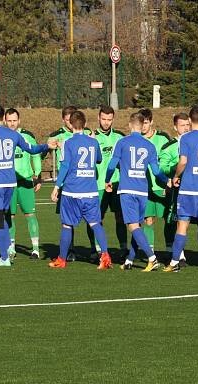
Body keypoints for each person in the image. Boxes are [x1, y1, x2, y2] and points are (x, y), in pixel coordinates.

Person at [0, 105, 54, 267]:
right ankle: (8, 250)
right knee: (5, 217)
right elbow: (31, 149)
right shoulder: (13, 134)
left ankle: (4, 257)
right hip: (10, 183)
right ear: (3, 118)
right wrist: (47, 146)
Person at [105, 112, 171, 272]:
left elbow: (112, 165)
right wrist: (167, 180)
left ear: (129, 125)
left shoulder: (122, 142)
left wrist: (107, 179)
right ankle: (130, 260)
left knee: (133, 225)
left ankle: (152, 258)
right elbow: (156, 172)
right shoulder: (149, 145)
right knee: (138, 226)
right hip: (142, 191)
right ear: (142, 127)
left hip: (127, 189)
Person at [47, 111, 111, 270]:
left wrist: (56, 187)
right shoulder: (93, 142)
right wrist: (94, 143)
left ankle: (62, 259)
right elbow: (99, 160)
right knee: (96, 224)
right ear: (84, 124)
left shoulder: (68, 143)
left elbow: (65, 167)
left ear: (70, 124)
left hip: (72, 192)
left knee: (67, 225)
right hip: (90, 191)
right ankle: (105, 256)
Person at [165, 107, 198, 272]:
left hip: (189, 189)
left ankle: (174, 262)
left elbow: (183, 161)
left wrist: (176, 176)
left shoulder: (185, 138)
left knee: (182, 224)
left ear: (190, 121)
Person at [85, 105, 128, 262]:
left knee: (120, 217)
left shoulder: (120, 137)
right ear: (98, 118)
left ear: (113, 119)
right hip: (97, 185)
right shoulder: (91, 137)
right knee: (96, 219)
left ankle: (123, 248)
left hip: (116, 184)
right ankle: (95, 250)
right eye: (103, 119)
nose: (106, 122)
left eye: (109, 119)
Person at [47, 106, 90, 262]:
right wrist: (51, 143)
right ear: (64, 120)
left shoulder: (84, 134)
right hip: (65, 182)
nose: (70, 123)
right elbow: (48, 143)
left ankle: (93, 249)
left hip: (82, 182)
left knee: (89, 219)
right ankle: (69, 250)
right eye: (67, 119)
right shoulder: (58, 135)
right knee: (67, 221)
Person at [5, 108, 43, 260]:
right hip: (8, 183)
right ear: (4, 120)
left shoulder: (27, 136)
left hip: (25, 182)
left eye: (14, 120)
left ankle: (35, 249)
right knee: (10, 216)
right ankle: (11, 248)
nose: (12, 123)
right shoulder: (2, 137)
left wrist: (38, 175)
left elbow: (35, 155)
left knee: (30, 214)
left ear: (19, 121)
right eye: (9, 120)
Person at [139, 108, 175, 254]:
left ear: (151, 122)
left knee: (169, 219)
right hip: (145, 188)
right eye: (141, 123)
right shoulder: (136, 139)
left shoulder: (163, 138)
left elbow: (173, 157)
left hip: (163, 187)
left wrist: (170, 180)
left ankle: (170, 251)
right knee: (148, 220)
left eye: (146, 123)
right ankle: (150, 254)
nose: (143, 126)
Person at [158, 112, 190, 262]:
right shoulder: (169, 146)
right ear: (175, 127)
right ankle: (177, 252)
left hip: (196, 186)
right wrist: (176, 168)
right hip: (178, 188)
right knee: (174, 219)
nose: (186, 128)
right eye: (182, 125)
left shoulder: (195, 141)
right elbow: (162, 167)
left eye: (187, 125)